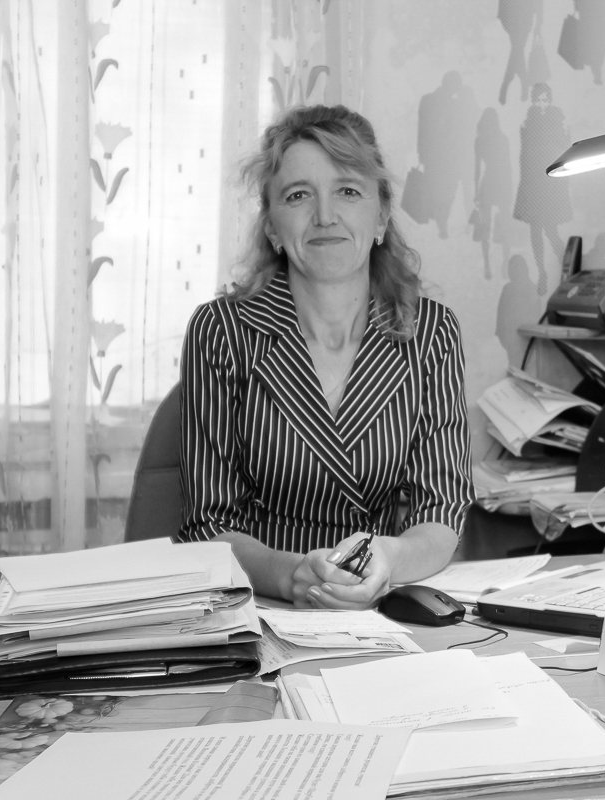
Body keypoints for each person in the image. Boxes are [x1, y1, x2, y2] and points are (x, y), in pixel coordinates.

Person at [177, 105, 474, 609]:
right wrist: (292, 576)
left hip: (380, 603)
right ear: (272, 226)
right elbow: (207, 525)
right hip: (262, 605)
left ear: (381, 216)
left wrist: (386, 558)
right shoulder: (220, 331)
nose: (324, 216)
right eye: (298, 195)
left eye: (348, 191)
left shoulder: (432, 332)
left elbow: (442, 511)